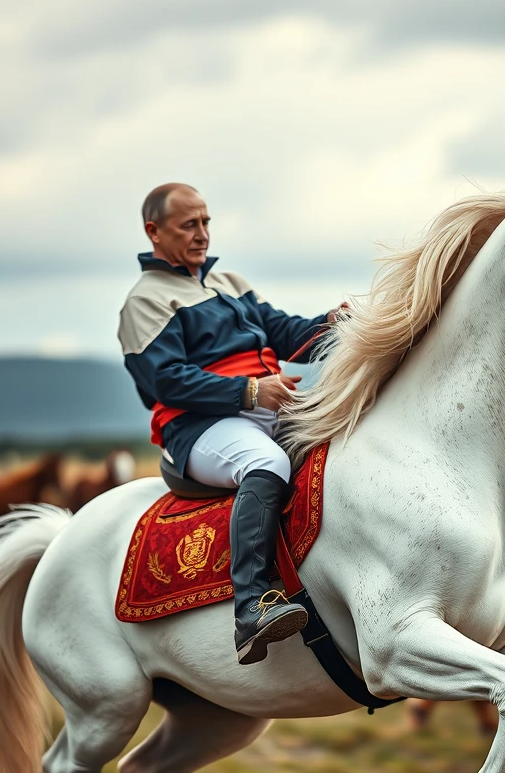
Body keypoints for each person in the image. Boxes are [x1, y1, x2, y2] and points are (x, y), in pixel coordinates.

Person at [118, 183, 342, 665]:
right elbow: (164, 380)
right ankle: (251, 610)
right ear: (153, 232)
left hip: (266, 408)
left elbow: (284, 332)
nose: (202, 235)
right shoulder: (145, 301)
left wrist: (335, 324)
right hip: (197, 428)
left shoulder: (230, 282)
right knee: (267, 462)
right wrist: (249, 392)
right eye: (189, 225)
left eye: (206, 222)